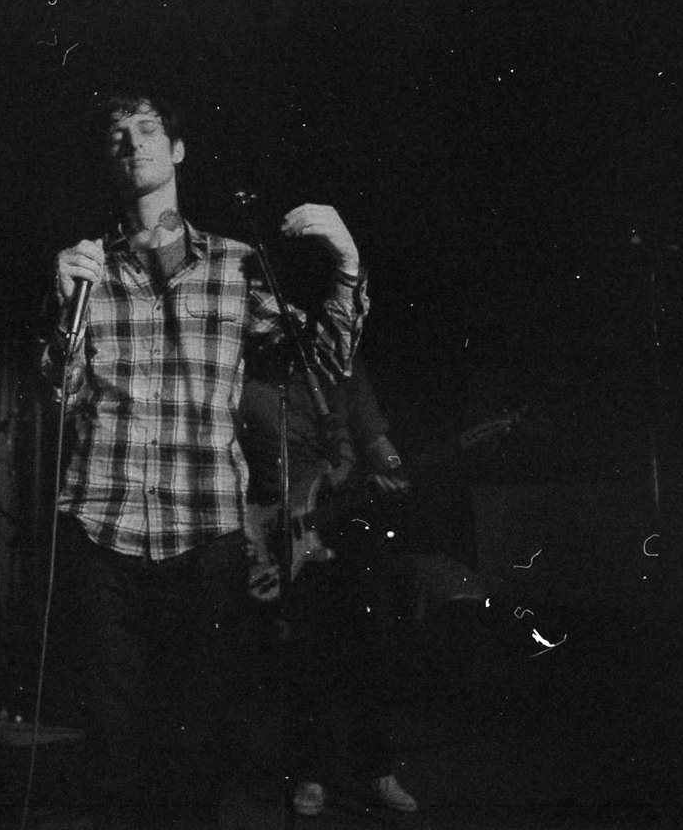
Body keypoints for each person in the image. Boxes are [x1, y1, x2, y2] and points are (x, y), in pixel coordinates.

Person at [40, 87, 369, 827]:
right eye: (118, 134)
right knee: (114, 753)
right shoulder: (88, 269)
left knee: (199, 751)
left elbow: (325, 362)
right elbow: (58, 396)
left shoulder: (236, 265)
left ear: (178, 150)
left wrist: (347, 262)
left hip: (205, 539)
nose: (133, 143)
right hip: (103, 528)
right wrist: (65, 311)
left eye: (147, 129)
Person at [239, 356, 419, 818]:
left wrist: (393, 468)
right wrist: (252, 528)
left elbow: (376, 441)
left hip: (347, 518)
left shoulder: (341, 367)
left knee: (373, 645)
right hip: (279, 523)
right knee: (305, 656)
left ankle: (378, 770)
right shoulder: (246, 370)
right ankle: (310, 773)